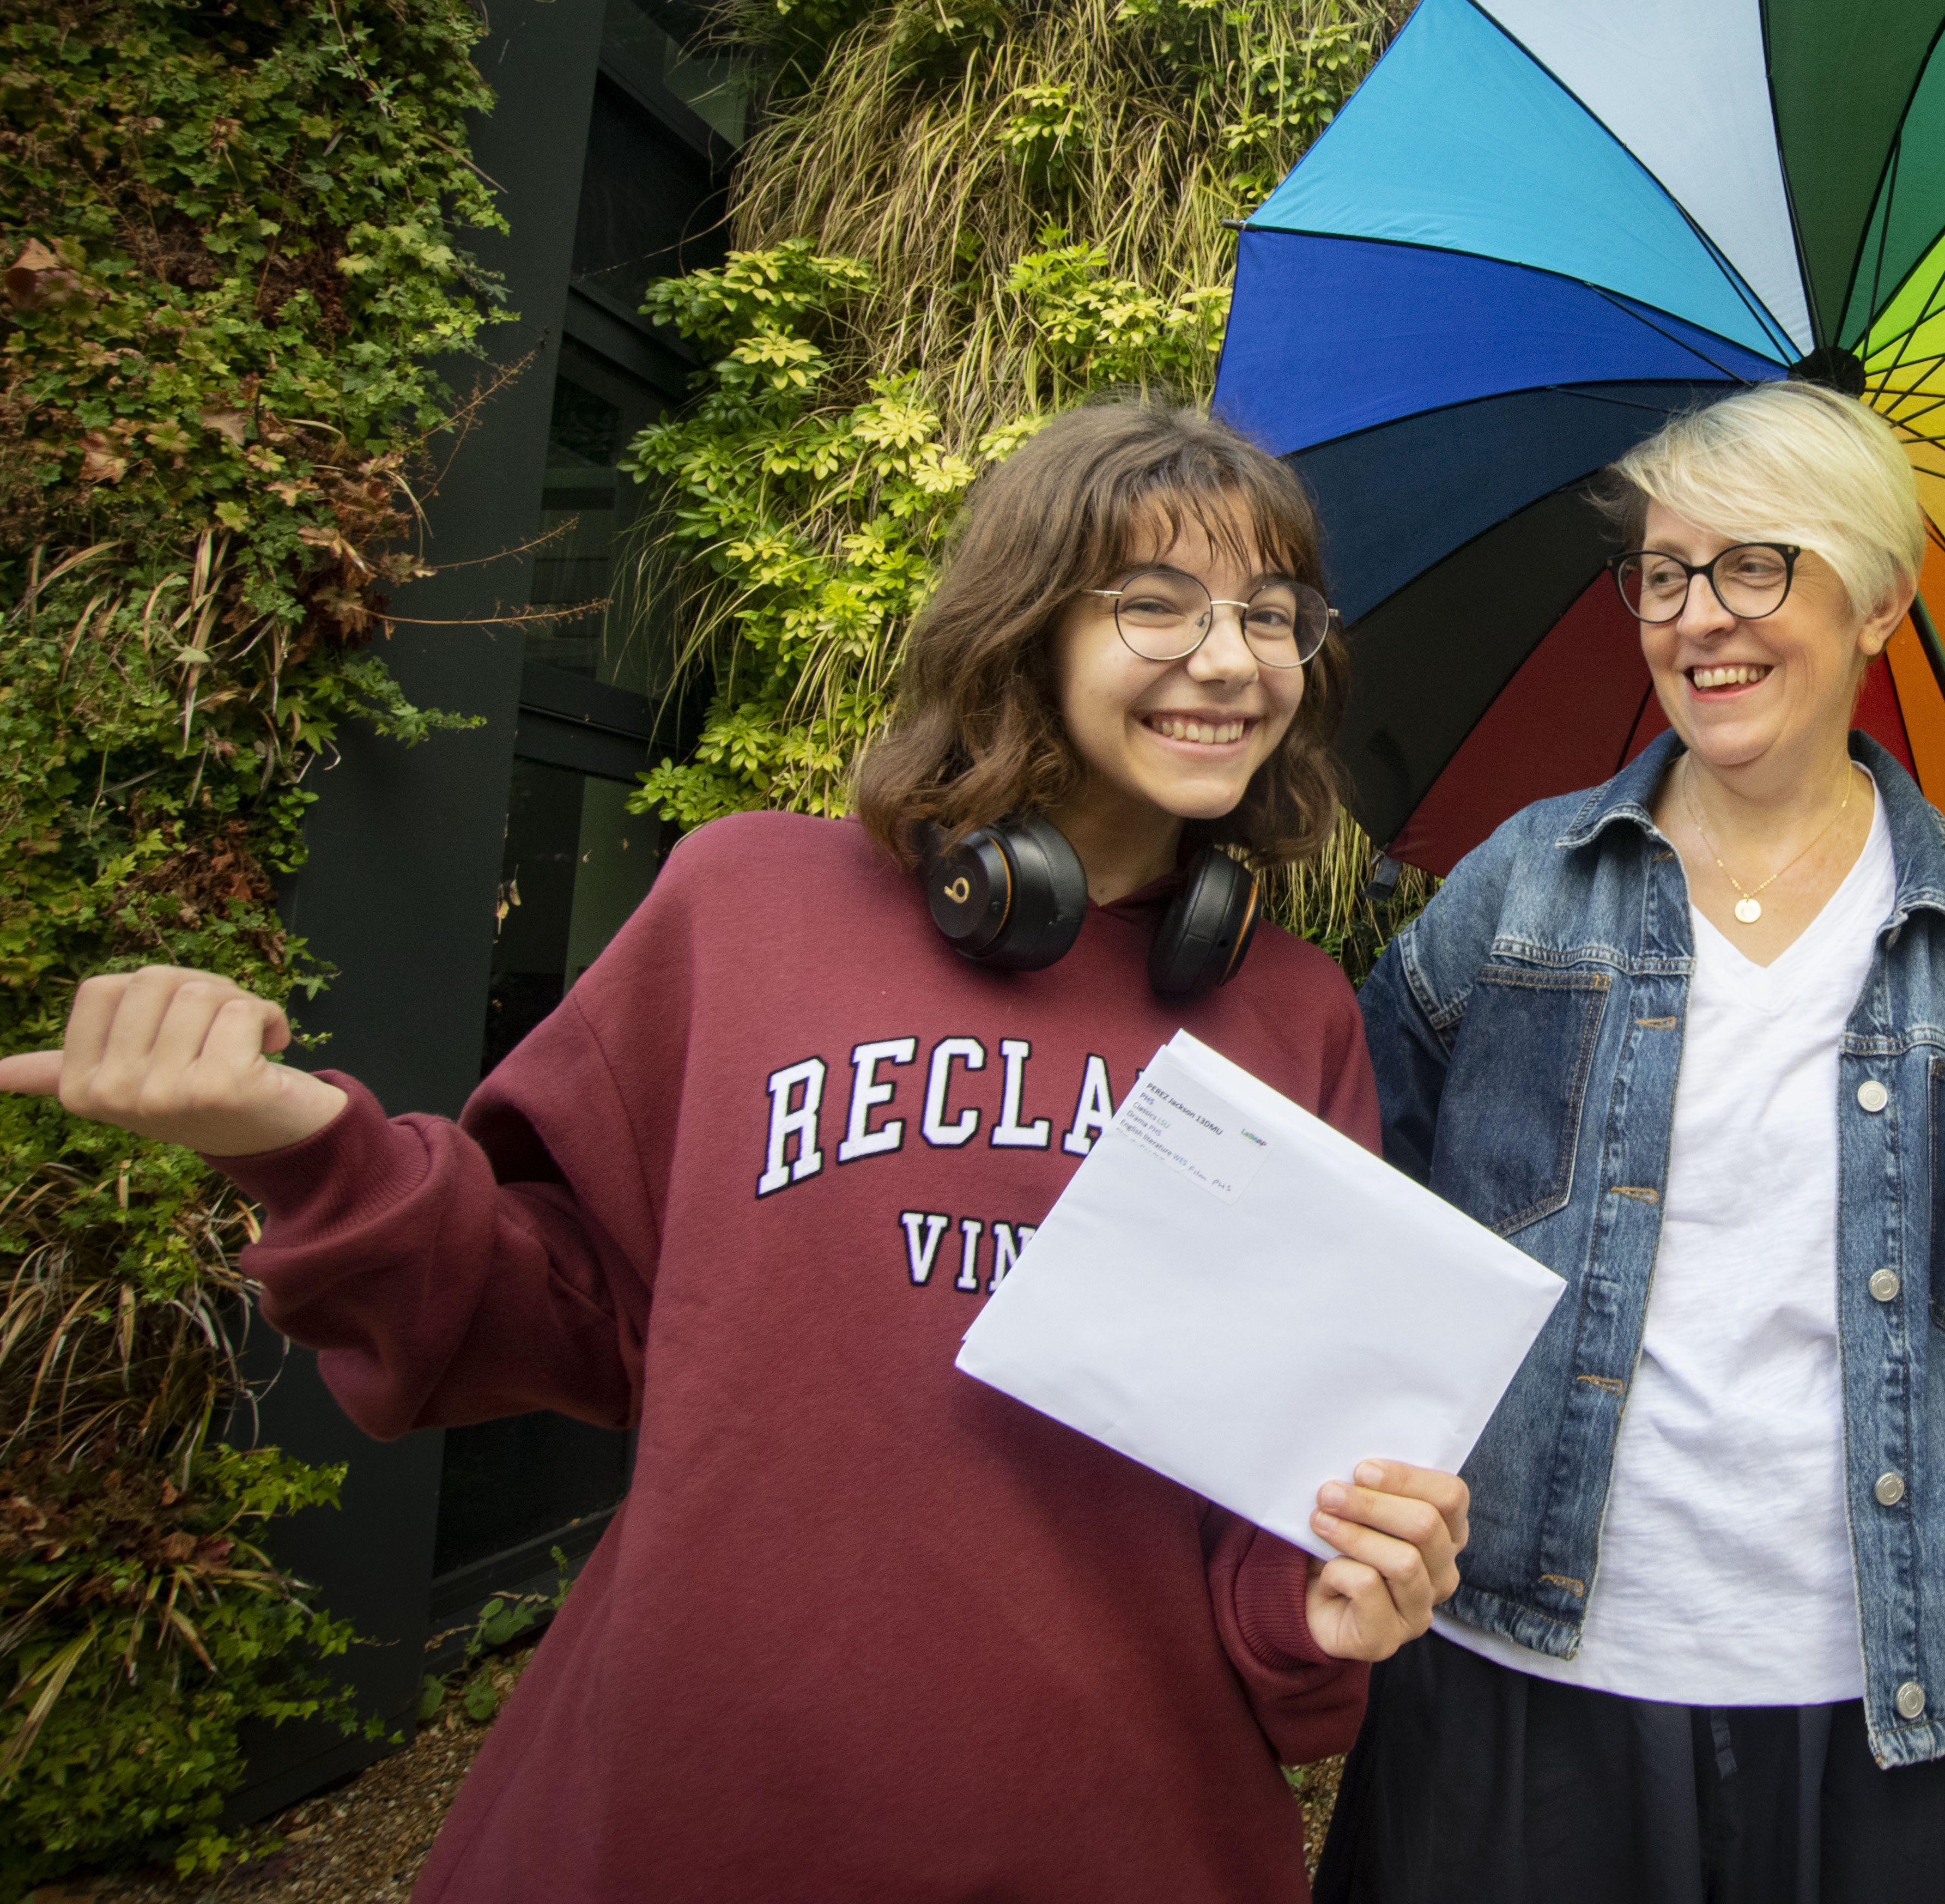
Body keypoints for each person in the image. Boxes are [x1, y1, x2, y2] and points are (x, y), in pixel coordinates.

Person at [1, 404, 1469, 1903]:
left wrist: (1329, 1612)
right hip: (695, 1801)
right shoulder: (747, 903)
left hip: (1110, 1824)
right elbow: (556, 1312)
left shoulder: (1290, 1014)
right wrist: (307, 1150)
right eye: (1156, 605)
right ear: (1023, 630)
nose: (1231, 660)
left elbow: (1277, 1486)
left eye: (1273, 617)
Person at [1314, 382, 1945, 1904]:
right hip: (1528, 1668)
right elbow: (1352, 1206)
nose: (1696, 619)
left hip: (1906, 1706)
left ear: (1879, 600)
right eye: (1664, 574)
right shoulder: (1518, 890)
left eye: (1755, 566)